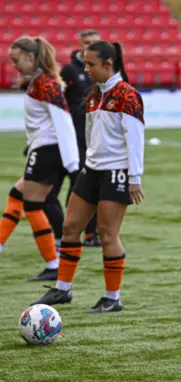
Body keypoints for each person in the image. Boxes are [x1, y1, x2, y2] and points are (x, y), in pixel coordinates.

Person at [32, 40, 145, 313]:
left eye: (91, 64)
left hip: (115, 172)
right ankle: (62, 290)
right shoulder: (96, 92)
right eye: (85, 63)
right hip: (91, 170)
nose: (86, 69)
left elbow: (135, 138)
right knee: (71, 228)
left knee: (107, 234)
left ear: (108, 64)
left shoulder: (127, 95)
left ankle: (112, 297)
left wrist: (134, 177)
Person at [0, 37, 80, 281]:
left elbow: (63, 121)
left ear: (31, 57)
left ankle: (53, 263)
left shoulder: (44, 84)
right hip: (42, 150)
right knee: (17, 195)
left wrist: (73, 164)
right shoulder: (38, 82)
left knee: (33, 205)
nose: (15, 66)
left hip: (47, 152)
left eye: (17, 60)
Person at [43, 29, 102, 248]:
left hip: (95, 139)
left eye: (94, 43)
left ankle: (90, 233)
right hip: (71, 140)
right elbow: (57, 99)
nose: (89, 46)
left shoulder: (104, 70)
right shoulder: (69, 70)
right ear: (79, 44)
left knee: (91, 186)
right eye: (86, 42)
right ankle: (67, 231)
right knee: (73, 186)